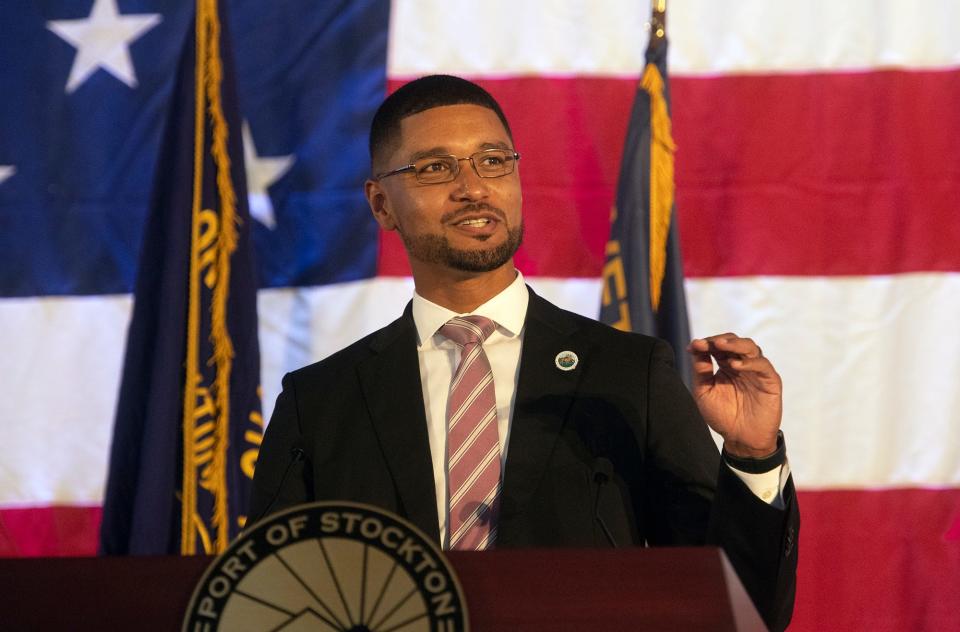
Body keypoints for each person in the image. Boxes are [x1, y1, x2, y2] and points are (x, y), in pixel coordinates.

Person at [250, 74, 798, 630]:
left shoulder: (628, 373)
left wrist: (753, 457)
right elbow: (268, 599)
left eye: (493, 160)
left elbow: (741, 605)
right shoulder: (319, 401)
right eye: (436, 168)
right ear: (381, 204)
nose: (473, 187)